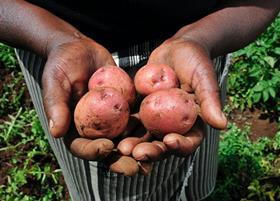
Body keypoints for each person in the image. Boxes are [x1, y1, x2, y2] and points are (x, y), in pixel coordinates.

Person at [1, 0, 279, 200]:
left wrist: (199, 40)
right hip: (62, 53)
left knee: (195, 169)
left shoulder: (187, 78)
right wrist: (56, 40)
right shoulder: (85, 80)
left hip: (204, 42)